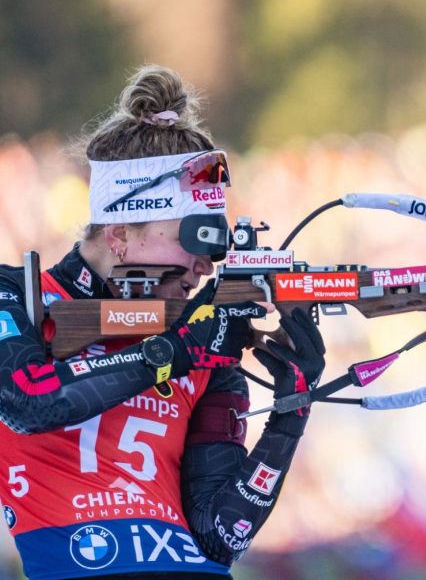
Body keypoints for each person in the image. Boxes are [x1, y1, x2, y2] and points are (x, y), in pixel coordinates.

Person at [0, 65, 325, 579]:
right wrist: (178, 351)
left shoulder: (206, 340)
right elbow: (28, 401)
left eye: (215, 242)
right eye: (193, 237)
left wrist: (292, 410)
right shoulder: (17, 295)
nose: (206, 264)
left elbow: (220, 536)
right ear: (121, 231)